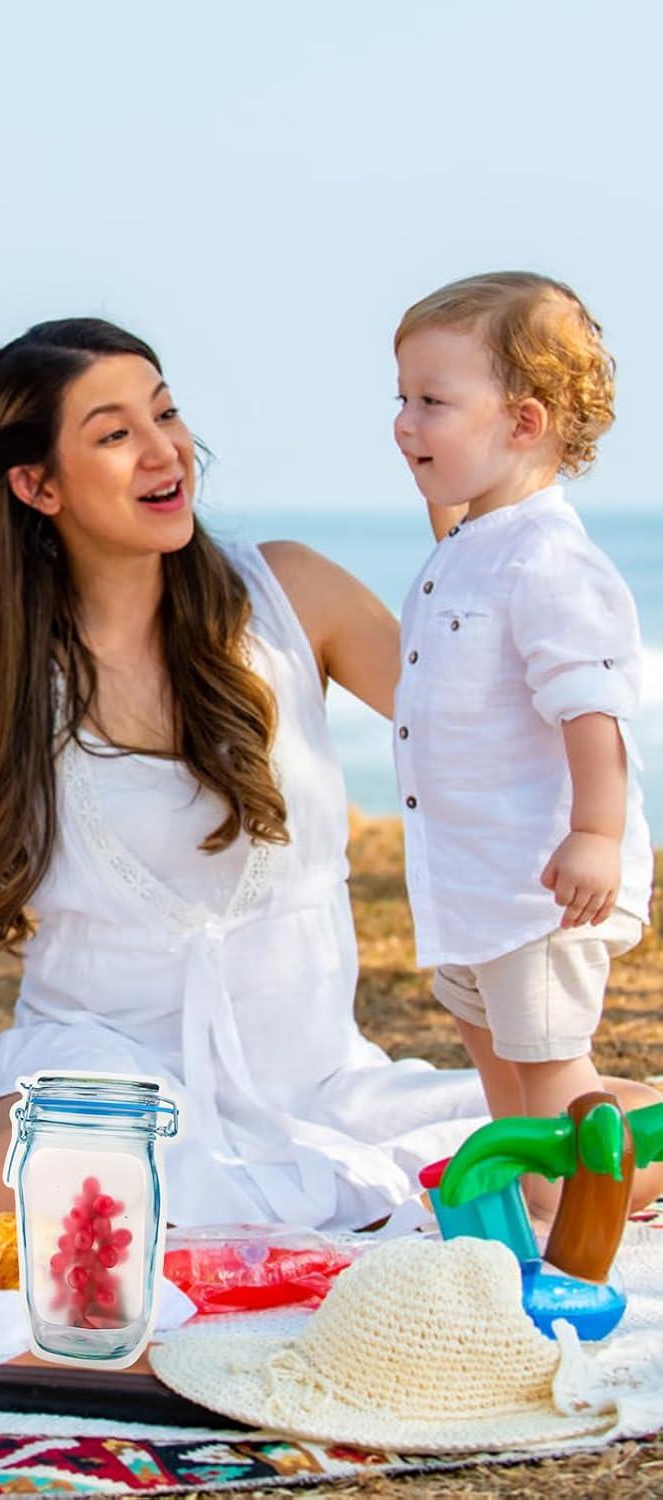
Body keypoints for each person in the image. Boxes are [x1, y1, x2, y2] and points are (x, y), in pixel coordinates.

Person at [0, 316, 505, 1231]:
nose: (163, 450)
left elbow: (469, 719)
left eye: (164, 412)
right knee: (38, 1191)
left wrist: (466, 528)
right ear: (37, 485)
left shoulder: (291, 593)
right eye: (114, 433)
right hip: (107, 1088)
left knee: (598, 1141)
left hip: (321, 1087)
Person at [392, 272, 659, 1229]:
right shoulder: (478, 537)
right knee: (501, 1074)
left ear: (525, 423)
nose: (404, 422)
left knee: (552, 1094)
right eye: (402, 398)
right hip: (475, 884)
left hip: (540, 890)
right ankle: (549, 1207)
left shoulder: (550, 560)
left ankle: (613, 1194)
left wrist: (597, 831)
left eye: (432, 402)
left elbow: (593, 711)